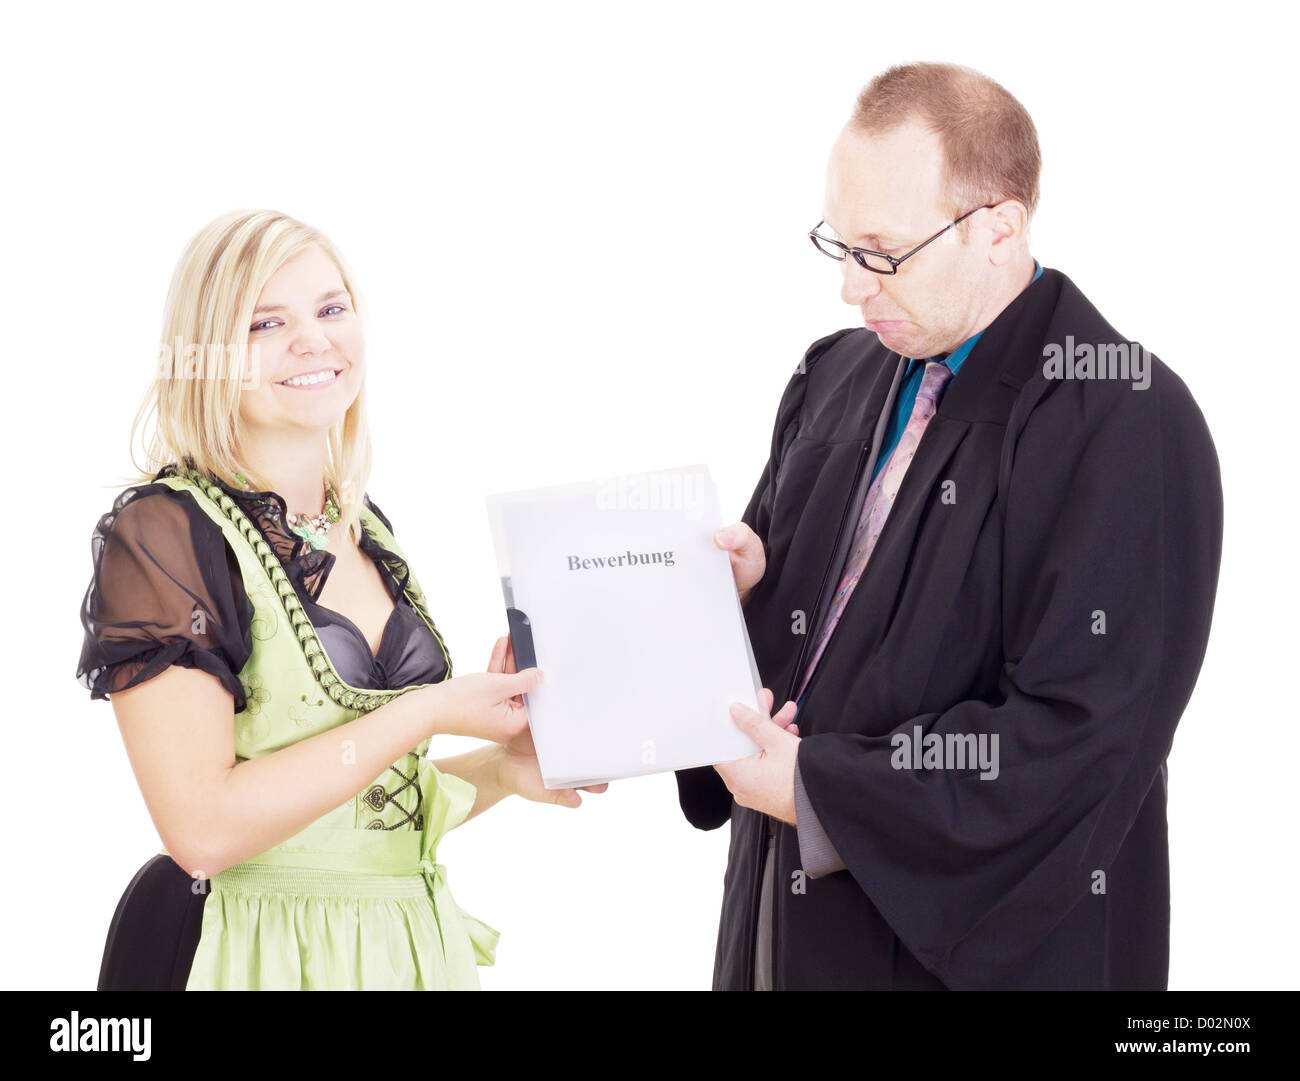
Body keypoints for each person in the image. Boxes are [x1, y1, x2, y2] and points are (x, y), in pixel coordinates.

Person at [680, 62, 1223, 990]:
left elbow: (1083, 737)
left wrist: (822, 790)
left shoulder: (1119, 414)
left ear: (999, 227)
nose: (852, 290)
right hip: (783, 925)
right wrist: (722, 605)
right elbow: (802, 674)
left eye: (883, 253)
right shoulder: (836, 378)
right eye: (840, 245)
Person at [76, 209, 604, 991]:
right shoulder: (166, 533)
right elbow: (204, 828)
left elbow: (354, 824)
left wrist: (500, 770)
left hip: (399, 949)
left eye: (331, 308)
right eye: (266, 322)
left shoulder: (363, 527)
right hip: (261, 953)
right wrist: (429, 710)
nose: (315, 341)